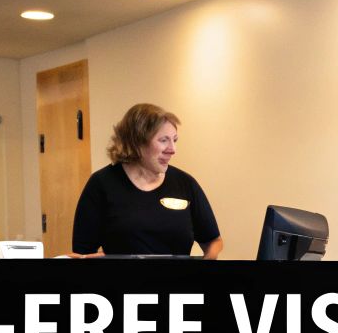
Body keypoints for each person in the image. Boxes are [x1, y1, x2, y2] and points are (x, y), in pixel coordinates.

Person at [70, 103, 223, 257]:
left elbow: (213, 241)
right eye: (163, 140)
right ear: (137, 142)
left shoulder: (185, 184)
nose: (172, 149)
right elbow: (82, 253)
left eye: (174, 140)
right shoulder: (101, 184)